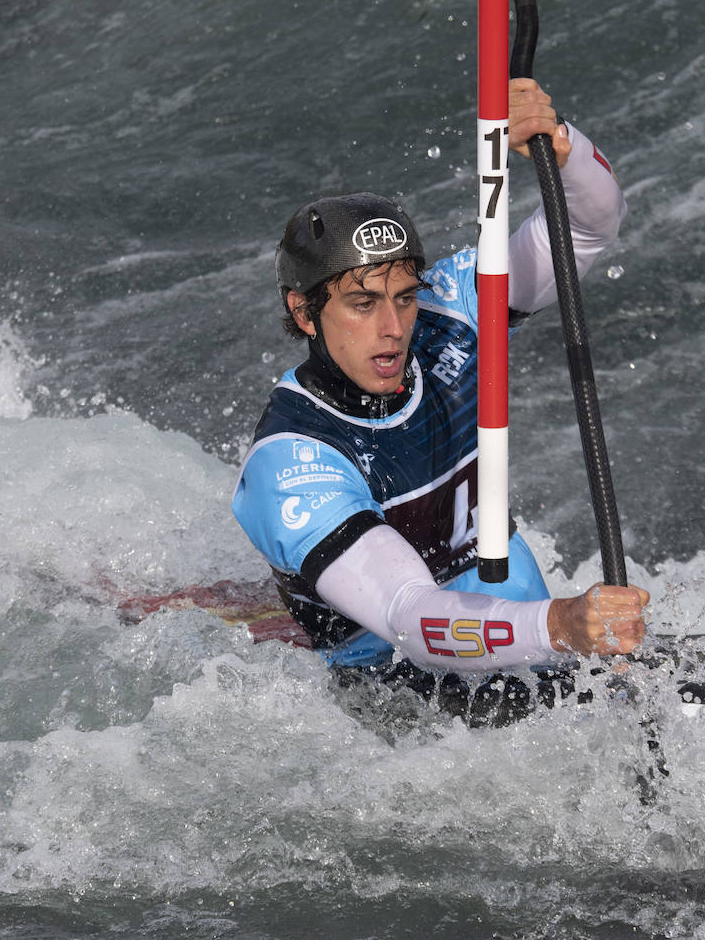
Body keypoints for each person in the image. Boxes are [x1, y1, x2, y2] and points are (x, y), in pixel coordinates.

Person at [231, 79, 649, 723]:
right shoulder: (290, 461)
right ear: (304, 312)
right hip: (408, 701)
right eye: (362, 305)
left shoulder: (452, 312)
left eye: (403, 296)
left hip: (538, 656)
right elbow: (410, 615)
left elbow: (591, 227)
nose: (393, 328)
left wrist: (558, 142)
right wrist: (563, 623)